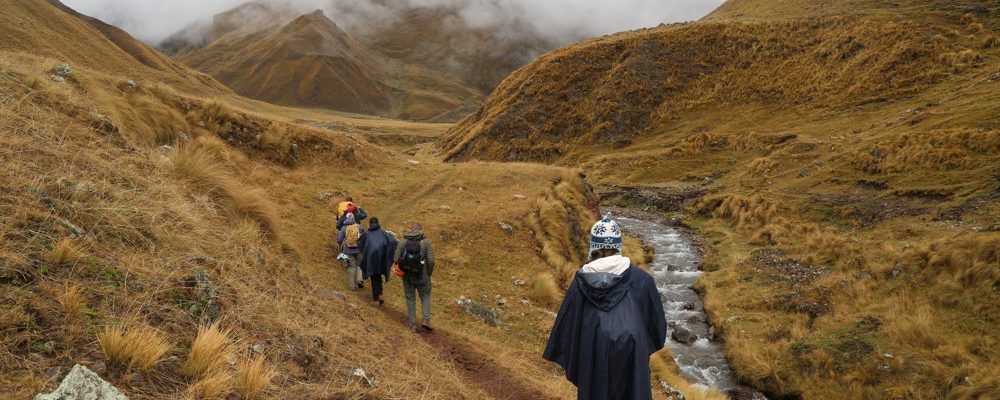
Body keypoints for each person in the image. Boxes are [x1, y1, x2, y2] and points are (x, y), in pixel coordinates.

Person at [543, 213, 667, 400]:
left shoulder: (580, 281)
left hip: (593, 353)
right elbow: (657, 327)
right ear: (617, 247)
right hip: (632, 353)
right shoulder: (642, 280)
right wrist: (640, 350)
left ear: (594, 248)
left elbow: (567, 330)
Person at [393, 222, 436, 332]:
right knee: (425, 296)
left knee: (410, 298)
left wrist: (402, 269)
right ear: (420, 230)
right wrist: (428, 273)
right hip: (423, 275)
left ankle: (412, 325)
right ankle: (426, 320)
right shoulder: (425, 242)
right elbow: (431, 260)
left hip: (407, 275)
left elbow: (395, 258)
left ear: (411, 229)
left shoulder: (403, 241)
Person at [358, 217, 398, 306]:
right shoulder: (383, 233)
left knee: (373, 277)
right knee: (378, 276)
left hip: (371, 260)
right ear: (377, 223)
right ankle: (380, 295)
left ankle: (376, 298)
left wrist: (365, 251)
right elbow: (393, 241)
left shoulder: (366, 234)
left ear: (370, 223)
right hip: (381, 259)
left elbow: (360, 243)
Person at [337, 212, 365, 291]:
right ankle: (360, 279)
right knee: (359, 265)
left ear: (346, 219)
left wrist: (341, 247)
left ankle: (352, 287)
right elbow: (363, 237)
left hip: (348, 251)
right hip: (359, 250)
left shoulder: (343, 228)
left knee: (352, 267)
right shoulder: (359, 226)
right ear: (353, 219)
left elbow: (339, 240)